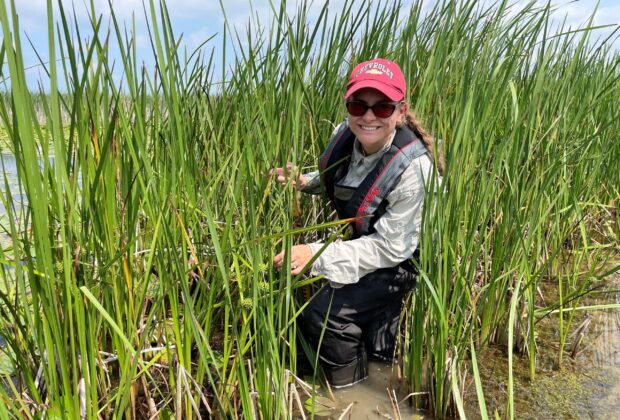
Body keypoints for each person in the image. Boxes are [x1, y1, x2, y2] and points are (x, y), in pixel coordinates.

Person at [271, 58, 442, 388]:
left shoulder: (415, 171)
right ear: (348, 106)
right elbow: (340, 176)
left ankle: (350, 396)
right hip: (368, 243)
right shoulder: (346, 133)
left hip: (402, 258)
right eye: (358, 104)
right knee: (363, 336)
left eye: (382, 108)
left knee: (327, 315)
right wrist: (304, 181)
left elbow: (392, 248)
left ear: (400, 111)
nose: (368, 116)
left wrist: (317, 254)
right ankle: (361, 378)